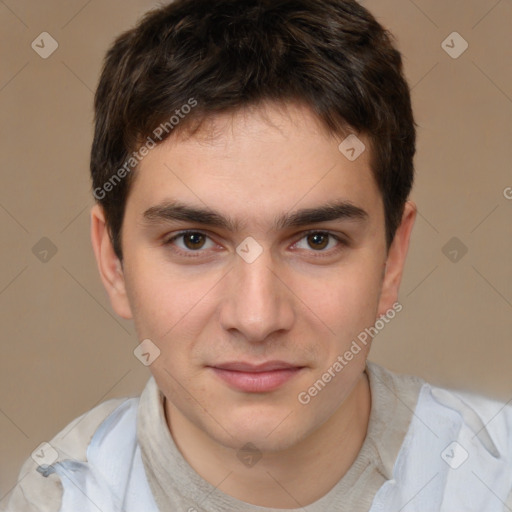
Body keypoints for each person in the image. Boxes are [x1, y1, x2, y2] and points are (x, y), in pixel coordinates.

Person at [4, 0, 512, 510]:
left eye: (317, 240)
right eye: (193, 240)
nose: (256, 318)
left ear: (393, 258)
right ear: (113, 262)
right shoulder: (59, 499)